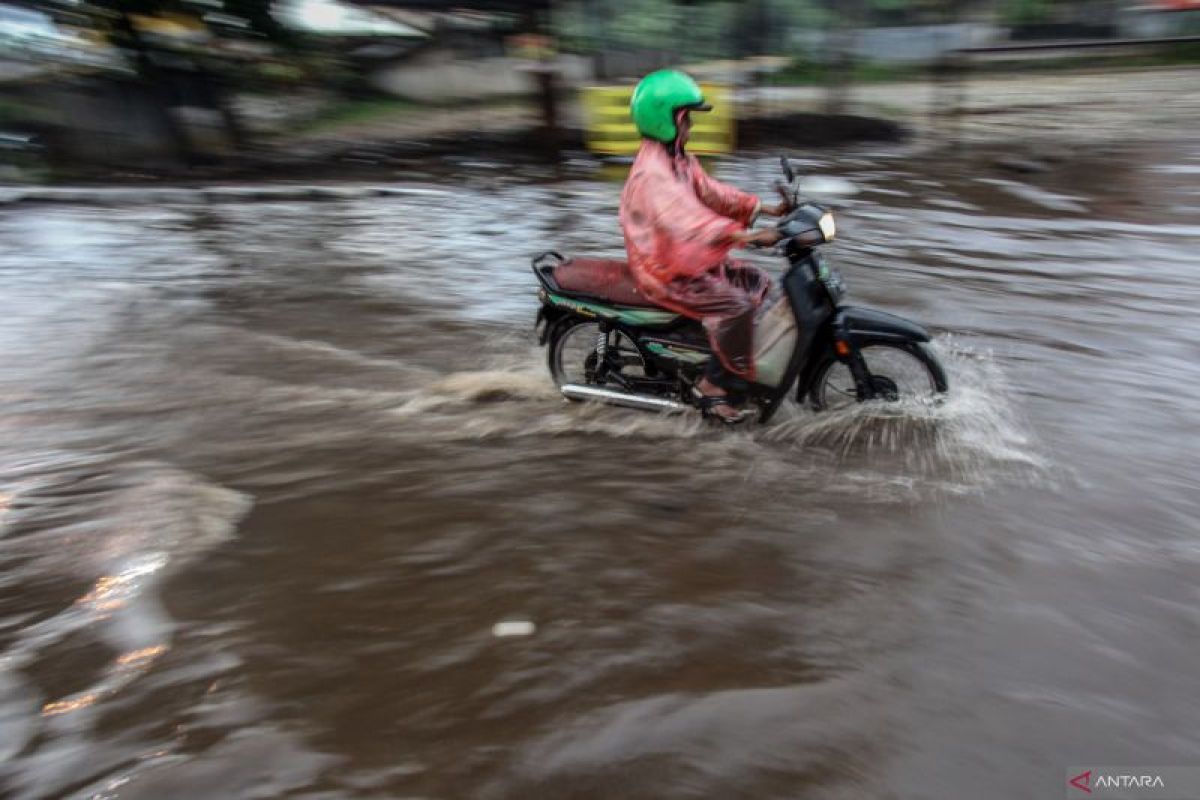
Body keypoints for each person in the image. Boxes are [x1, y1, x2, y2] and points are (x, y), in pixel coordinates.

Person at [620, 70, 791, 423]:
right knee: (735, 304)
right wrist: (746, 236)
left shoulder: (679, 160)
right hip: (664, 271)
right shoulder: (652, 174)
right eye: (688, 119)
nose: (691, 127)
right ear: (669, 119)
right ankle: (711, 386)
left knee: (757, 283)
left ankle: (731, 360)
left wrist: (766, 209)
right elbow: (688, 220)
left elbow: (712, 193)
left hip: (681, 259)